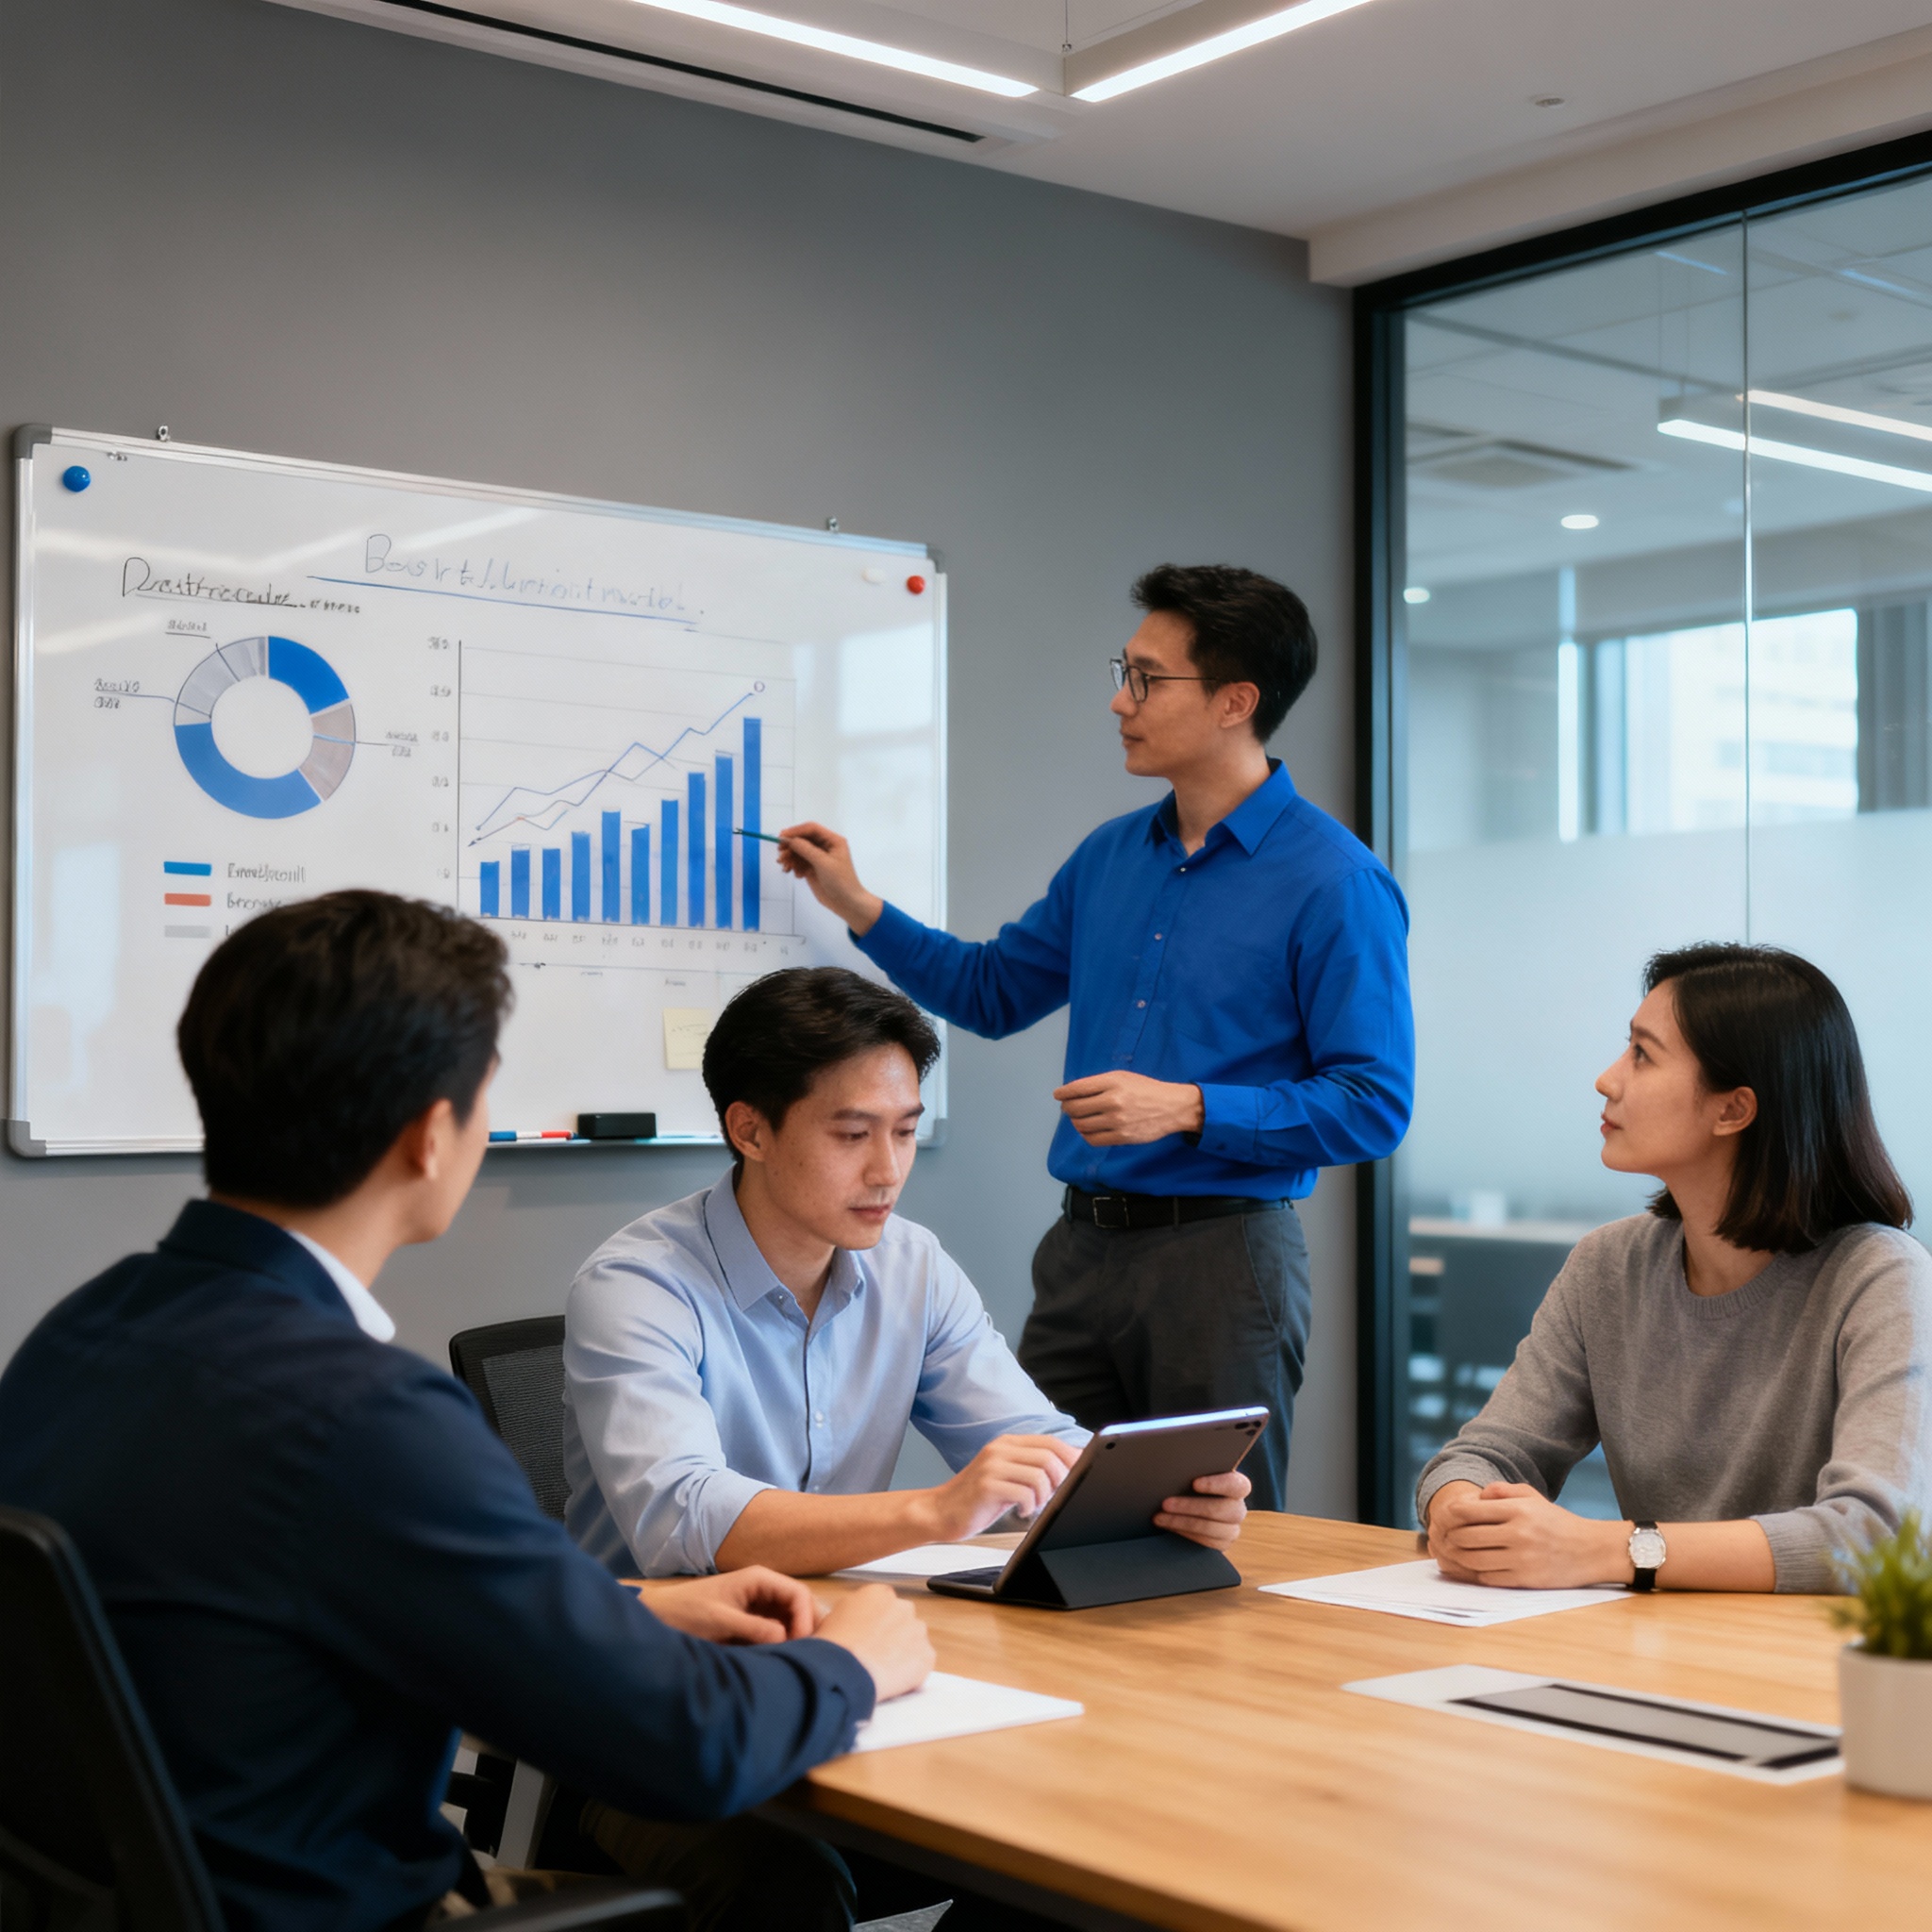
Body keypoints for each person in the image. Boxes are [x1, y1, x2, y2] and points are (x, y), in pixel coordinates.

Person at [0, 892, 932, 1932]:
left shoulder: (84, 1330)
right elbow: (686, 1746)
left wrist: (625, 1608)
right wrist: (850, 1660)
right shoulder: (368, 1415)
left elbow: (275, 1601)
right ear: (429, 1135)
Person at [774, 564, 1414, 1508]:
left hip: (1222, 1262)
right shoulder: (1111, 855)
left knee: (1212, 1534)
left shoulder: (1335, 881)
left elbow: (1373, 1103)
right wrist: (859, 907)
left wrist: (1186, 1108)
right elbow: (990, 990)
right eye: (1125, 670)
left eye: (1148, 679)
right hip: (1080, 1252)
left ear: (1235, 700)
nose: (1120, 700)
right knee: (1040, 1513)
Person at [563, 965, 1253, 1583]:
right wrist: (934, 1511)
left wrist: (1154, 1500)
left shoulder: (912, 1264)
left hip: (842, 1626)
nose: (888, 1172)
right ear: (750, 1132)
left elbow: (1027, 1441)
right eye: (853, 1135)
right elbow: (683, 1517)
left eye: (903, 1132)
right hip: (654, 1657)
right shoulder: (638, 1284)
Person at [1418, 942, 1932, 1594]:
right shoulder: (1609, 1264)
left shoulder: (1881, 1278)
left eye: (1642, 1054)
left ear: (1733, 1110)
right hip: (1657, 1647)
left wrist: (1613, 1549)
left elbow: (1871, 1535)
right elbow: (1481, 1455)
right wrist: (1458, 1511)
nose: (1607, 1079)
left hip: (1818, 1670)